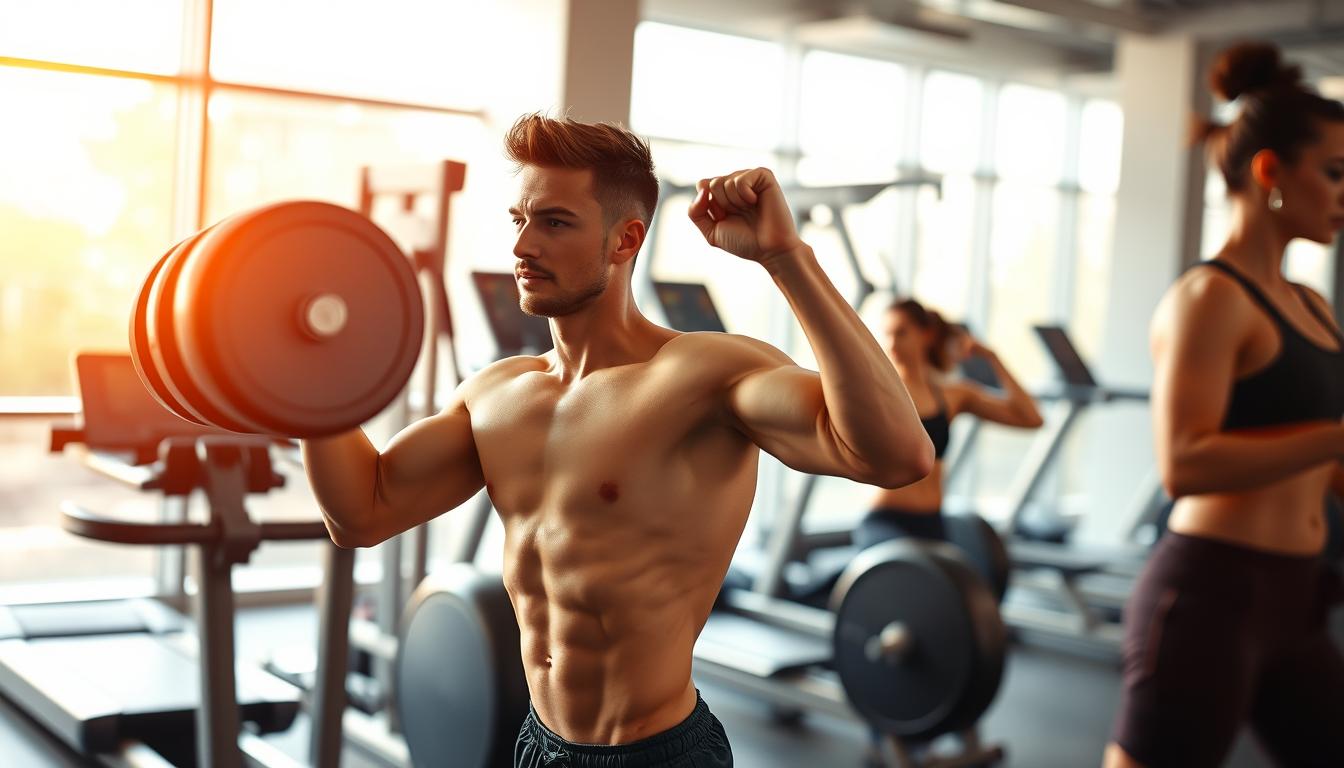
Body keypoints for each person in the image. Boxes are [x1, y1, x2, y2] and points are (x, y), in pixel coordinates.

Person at [302, 114, 935, 767]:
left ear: (624, 239)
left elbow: (897, 454)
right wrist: (305, 368)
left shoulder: (703, 375)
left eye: (554, 223)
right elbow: (362, 511)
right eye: (519, 220)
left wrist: (785, 259)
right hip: (538, 745)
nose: (522, 245)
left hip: (656, 754)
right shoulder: (497, 393)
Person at [1105, 42, 1344, 768]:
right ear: (1270, 171)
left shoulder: (1311, 304)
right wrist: (1335, 437)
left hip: (1299, 595)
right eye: (1335, 173)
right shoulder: (1209, 298)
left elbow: (1326, 468)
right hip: (1210, 594)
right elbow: (1185, 464)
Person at [854, 298, 1042, 551]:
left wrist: (992, 357)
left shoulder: (951, 396)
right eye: (887, 335)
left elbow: (1031, 418)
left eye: (901, 333)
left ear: (926, 334)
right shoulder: (880, 392)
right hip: (887, 522)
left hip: (932, 522)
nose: (892, 344)